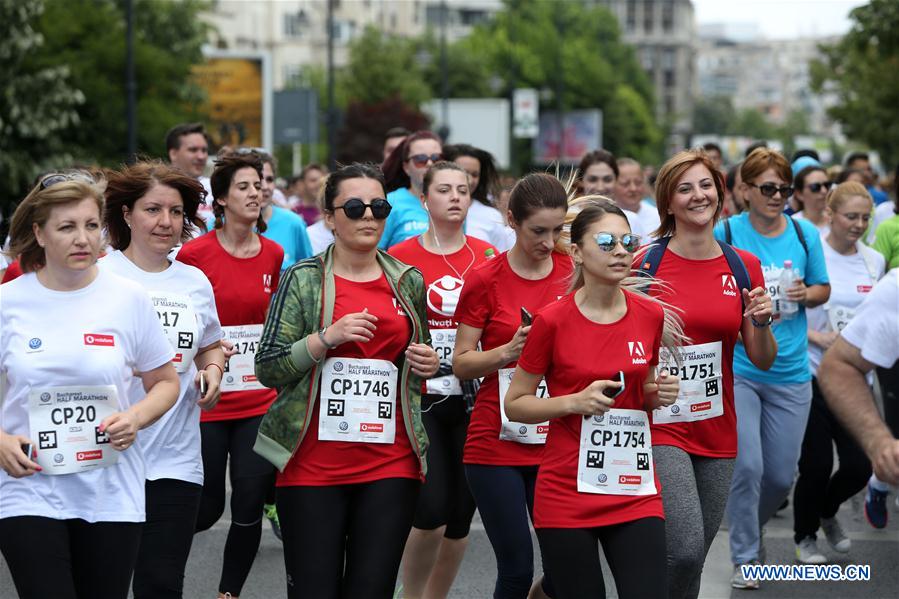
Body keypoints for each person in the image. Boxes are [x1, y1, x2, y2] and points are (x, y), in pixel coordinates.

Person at [252, 163, 439, 598]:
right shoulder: (304, 279)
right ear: (331, 218)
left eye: (378, 206)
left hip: (390, 461)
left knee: (370, 589)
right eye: (354, 207)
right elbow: (268, 367)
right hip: (312, 466)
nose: (369, 216)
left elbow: (418, 360)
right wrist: (324, 340)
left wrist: (426, 363)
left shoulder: (407, 281)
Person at [0, 173, 179, 599]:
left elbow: (165, 382)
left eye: (91, 225)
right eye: (67, 227)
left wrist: (135, 417)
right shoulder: (8, 303)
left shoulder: (128, 298)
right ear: (39, 233)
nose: (83, 239)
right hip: (28, 489)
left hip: (110, 492)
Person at [503, 200, 683, 599]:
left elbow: (644, 392)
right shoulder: (551, 320)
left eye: (627, 241)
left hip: (633, 487)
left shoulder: (649, 315)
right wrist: (572, 402)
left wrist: (659, 394)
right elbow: (516, 403)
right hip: (567, 491)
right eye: (606, 242)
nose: (620, 250)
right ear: (579, 252)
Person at [639, 150, 776, 599]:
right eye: (685, 188)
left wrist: (759, 322)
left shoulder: (743, 266)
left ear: (720, 194)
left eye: (705, 186)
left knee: (694, 556)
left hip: (717, 426)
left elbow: (761, 359)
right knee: (681, 550)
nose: (698, 196)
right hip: (660, 423)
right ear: (668, 202)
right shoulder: (644, 265)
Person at [100, 161, 227, 597]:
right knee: (105, 581)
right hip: (107, 456)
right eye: (153, 210)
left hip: (176, 457)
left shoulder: (193, 281)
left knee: (160, 582)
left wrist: (212, 369)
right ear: (127, 214)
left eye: (176, 212)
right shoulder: (99, 277)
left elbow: (211, 342)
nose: (165, 222)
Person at [713, 148, 831, 590]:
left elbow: (824, 288)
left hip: (791, 372)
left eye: (784, 188)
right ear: (744, 191)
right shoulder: (726, 231)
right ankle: (745, 554)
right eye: (767, 188)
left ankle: (749, 525)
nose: (777, 196)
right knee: (747, 468)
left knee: (780, 476)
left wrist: (806, 294)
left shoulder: (802, 235)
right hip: (741, 366)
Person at [453, 173, 573, 599]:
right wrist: (508, 351)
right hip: (495, 442)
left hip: (559, 438)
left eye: (558, 230)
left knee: (569, 568)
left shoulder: (573, 272)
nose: (549, 240)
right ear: (511, 221)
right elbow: (462, 363)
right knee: (517, 568)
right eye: (538, 230)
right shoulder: (486, 279)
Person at [176, 152, 283, 599]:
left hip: (258, 399)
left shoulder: (275, 253)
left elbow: (278, 321)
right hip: (208, 398)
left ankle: (228, 594)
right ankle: (157, 568)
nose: (255, 192)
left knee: (248, 504)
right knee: (205, 508)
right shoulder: (194, 254)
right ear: (220, 199)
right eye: (243, 186)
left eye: (258, 185)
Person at [389, 162, 497, 598]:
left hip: (475, 398)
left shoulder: (489, 256)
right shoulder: (400, 257)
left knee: (459, 516)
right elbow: (388, 327)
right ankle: (410, 593)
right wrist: (411, 354)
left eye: (463, 190)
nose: (455, 197)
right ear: (424, 199)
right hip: (423, 397)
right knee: (430, 508)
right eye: (445, 190)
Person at [792, 181, 884, 562]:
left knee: (862, 466)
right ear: (830, 215)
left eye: (865, 217)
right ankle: (804, 536)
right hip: (812, 373)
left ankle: (827, 511)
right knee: (814, 465)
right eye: (851, 216)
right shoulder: (813, 254)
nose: (859, 224)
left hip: (855, 380)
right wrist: (817, 337)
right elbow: (790, 310)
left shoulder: (873, 261)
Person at [820, 269, 899, 486]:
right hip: (802, 369)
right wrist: (880, 443)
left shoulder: (873, 261)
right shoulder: (895, 290)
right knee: (817, 465)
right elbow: (839, 365)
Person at [444, 143, 516, 252]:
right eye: (463, 172)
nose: (470, 180)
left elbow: (500, 258)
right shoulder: (430, 209)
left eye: (475, 174)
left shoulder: (491, 216)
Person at [251, 149, 313, 271]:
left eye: (269, 180)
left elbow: (310, 275)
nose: (265, 187)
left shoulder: (293, 223)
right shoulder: (220, 225)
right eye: (258, 179)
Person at [380, 130, 443, 249]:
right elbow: (374, 254)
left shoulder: (455, 201)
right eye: (420, 159)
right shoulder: (390, 203)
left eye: (436, 158)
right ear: (406, 167)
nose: (430, 163)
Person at [166, 122, 212, 214]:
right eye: (193, 150)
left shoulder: (216, 189)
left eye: (204, 150)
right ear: (173, 154)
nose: (201, 156)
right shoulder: (156, 188)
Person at [615, 157, 661, 240]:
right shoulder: (606, 217)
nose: (633, 188)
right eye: (625, 184)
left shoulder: (659, 218)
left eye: (638, 182)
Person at [791, 164, 832, 236]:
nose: (824, 191)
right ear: (799, 194)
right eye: (815, 187)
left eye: (827, 185)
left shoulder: (837, 221)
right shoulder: (792, 226)